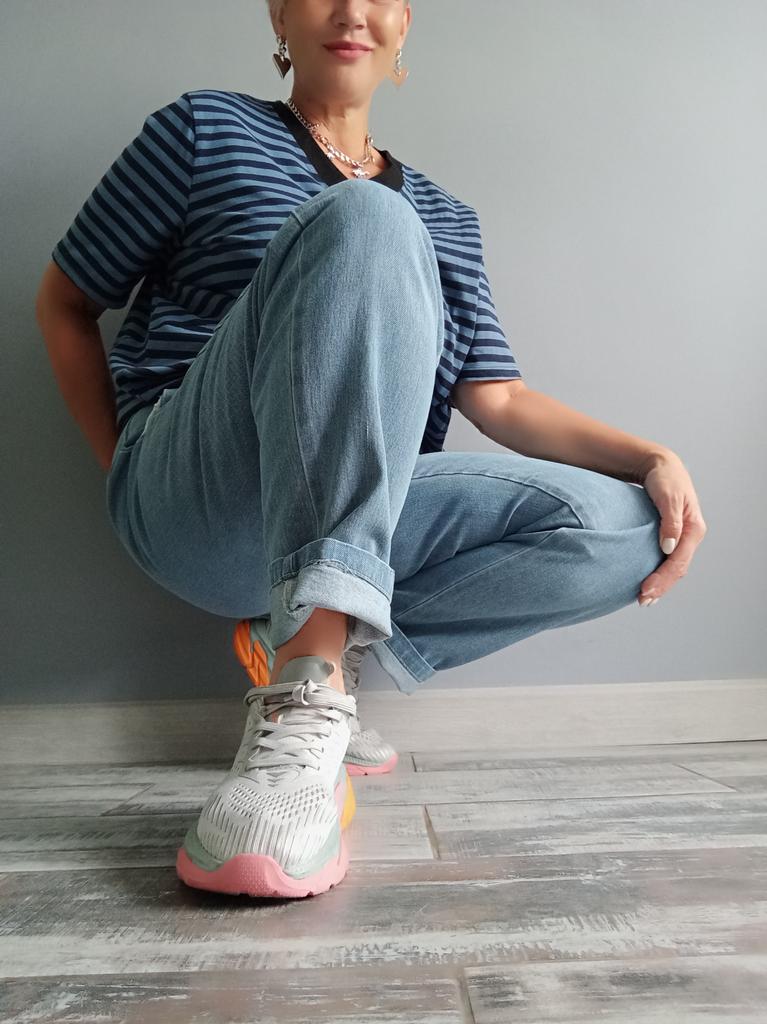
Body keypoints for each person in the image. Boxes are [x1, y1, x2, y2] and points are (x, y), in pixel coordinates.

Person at [35, 0, 706, 900]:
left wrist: (650, 456)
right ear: (279, 14)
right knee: (363, 219)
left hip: (359, 514)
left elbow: (499, 401)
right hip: (201, 492)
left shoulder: (446, 217)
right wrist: (125, 467)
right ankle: (305, 698)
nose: (352, 9)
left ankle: (315, 657)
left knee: (631, 525)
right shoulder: (203, 131)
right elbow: (65, 302)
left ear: (403, 27)